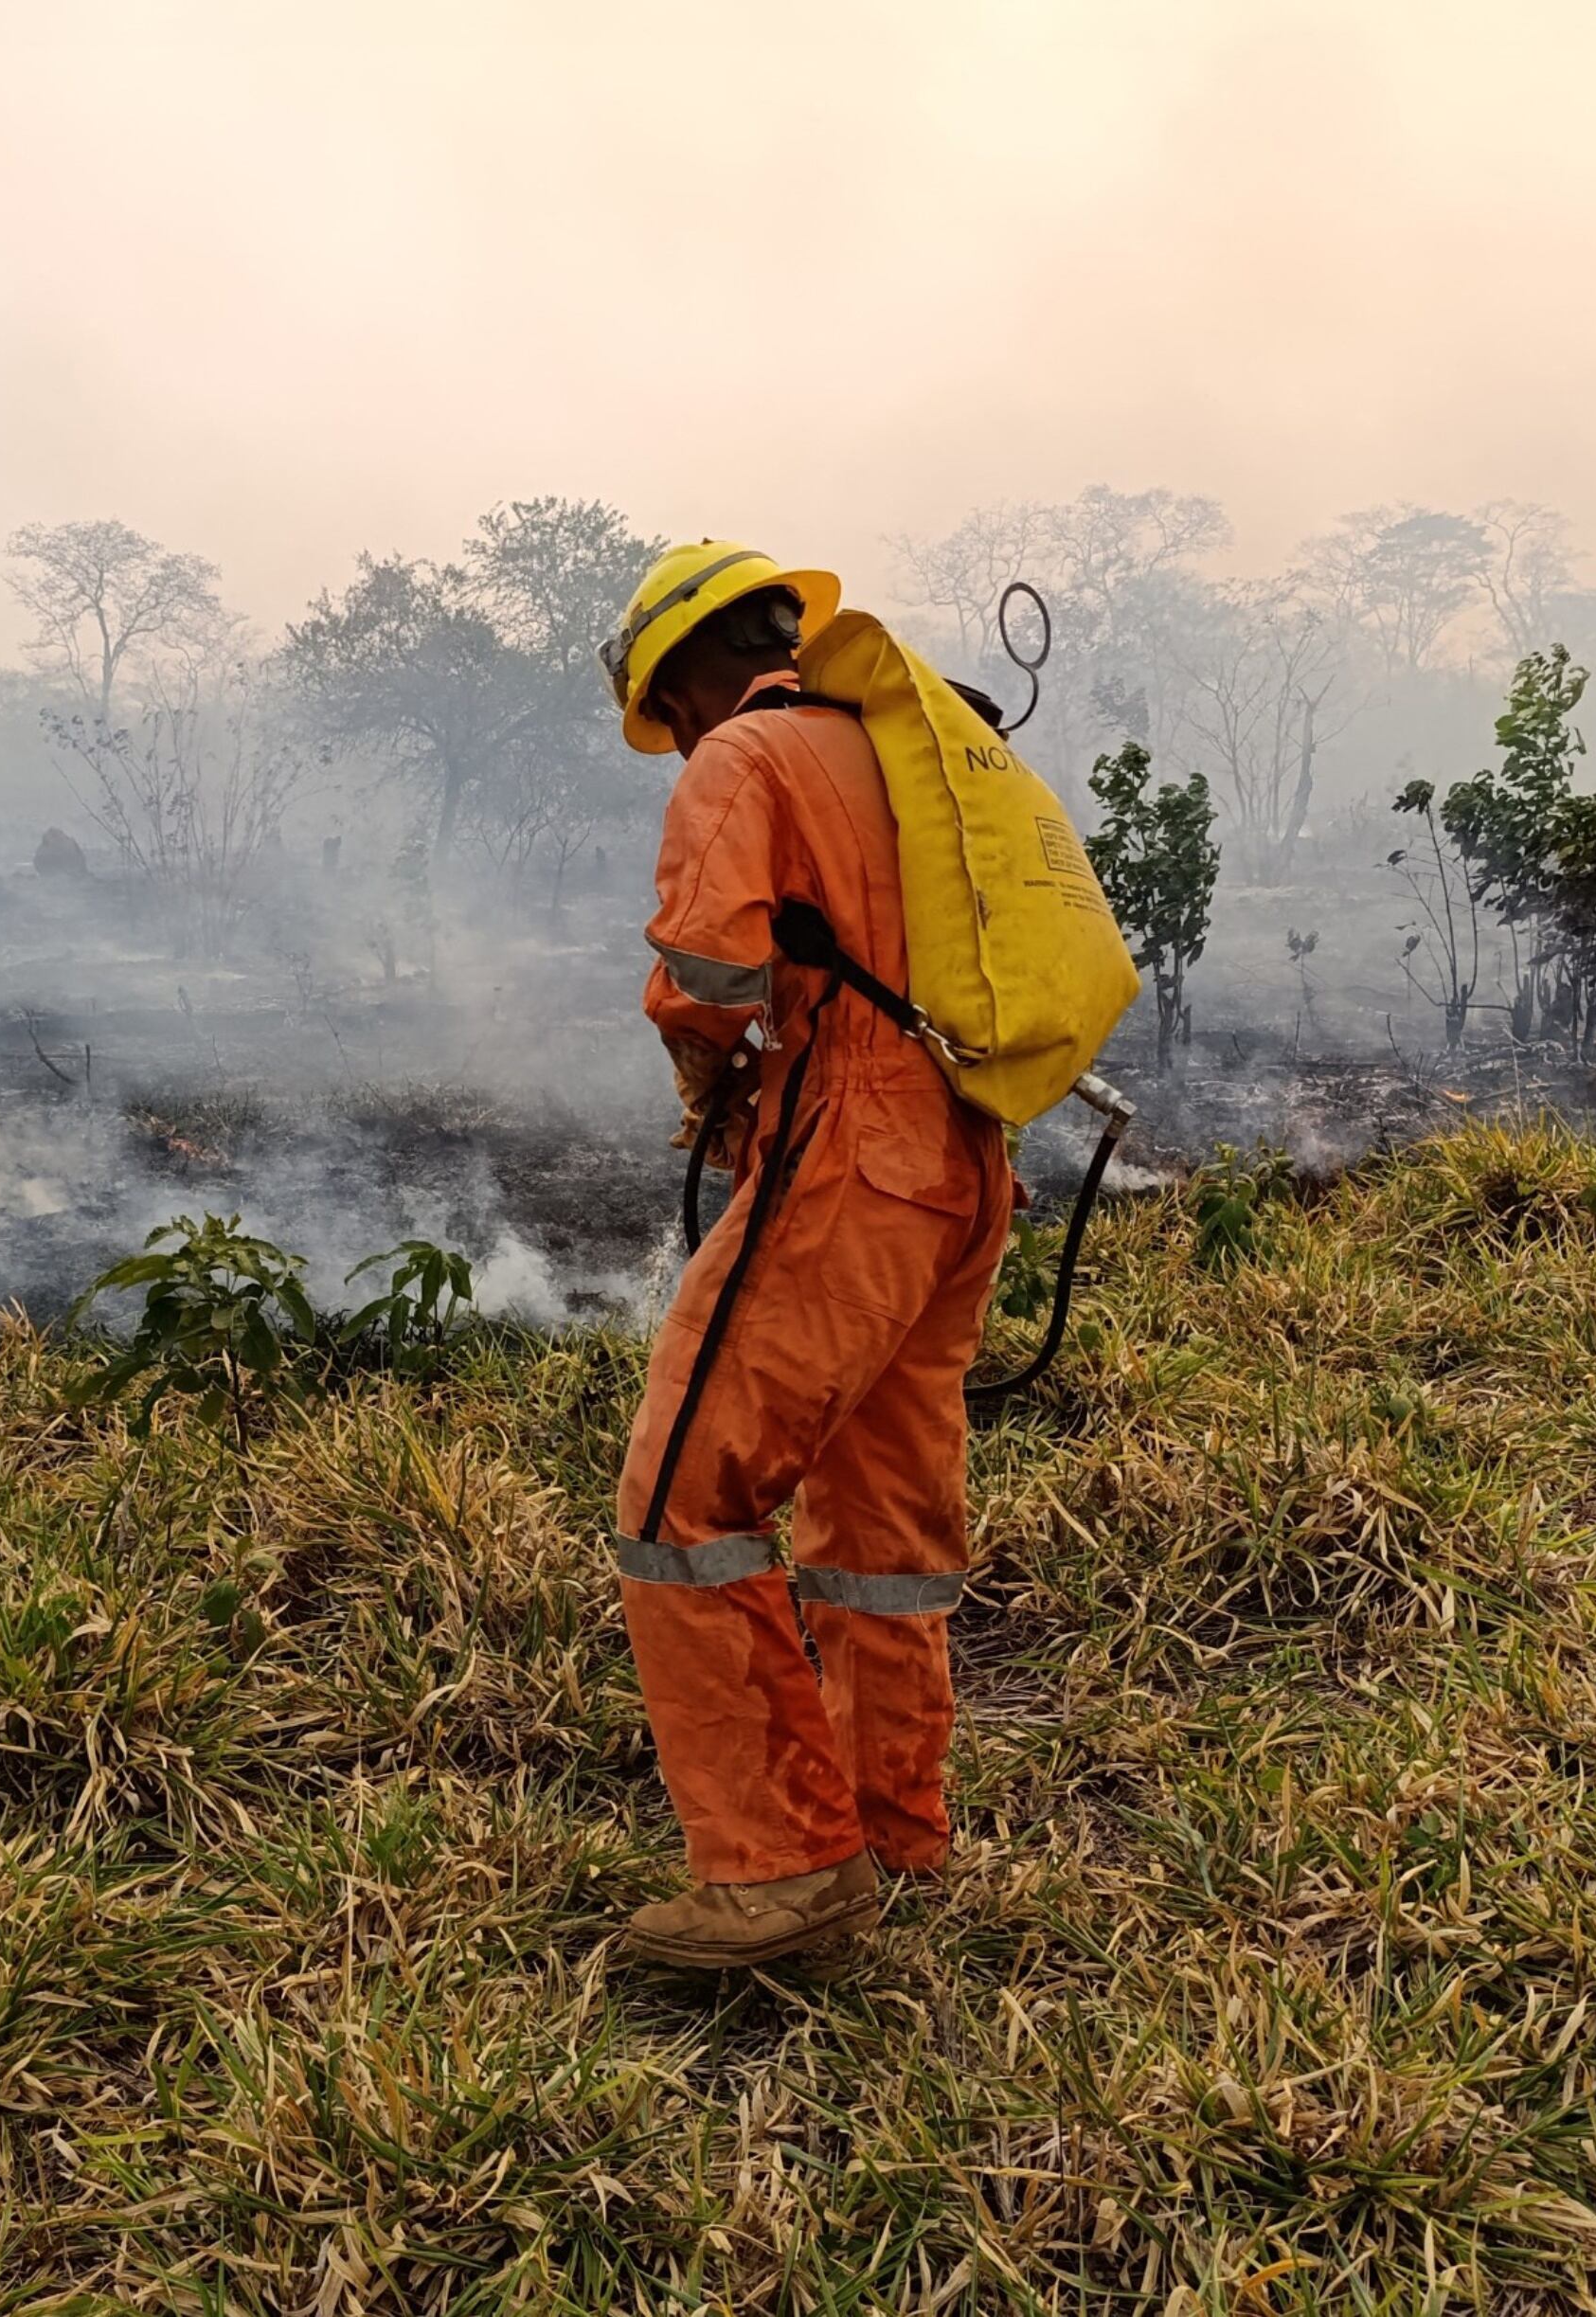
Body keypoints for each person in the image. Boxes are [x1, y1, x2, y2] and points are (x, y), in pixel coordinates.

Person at [597, 543, 1016, 1971]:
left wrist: (703, 1070)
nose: (685, 742)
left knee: (680, 1495)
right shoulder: (912, 750)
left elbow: (707, 970)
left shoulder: (751, 756)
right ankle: (893, 1825)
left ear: (688, 675)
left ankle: (781, 1868)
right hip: (965, 1161)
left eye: (674, 716)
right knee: (880, 1522)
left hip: (850, 1150)